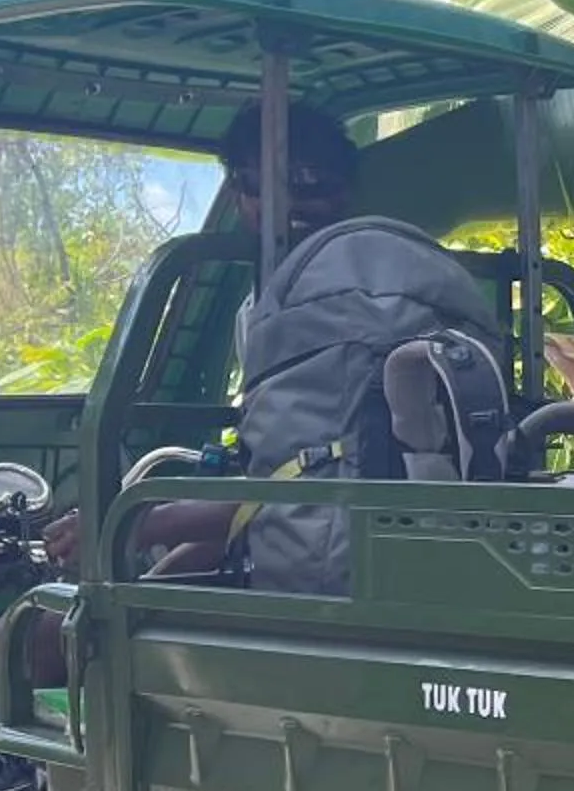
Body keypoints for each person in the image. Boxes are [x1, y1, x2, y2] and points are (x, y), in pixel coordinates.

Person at [40, 102, 360, 584]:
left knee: (32, 633)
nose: (302, 200)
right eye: (284, 181)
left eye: (314, 179)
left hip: (325, 560)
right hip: (317, 537)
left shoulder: (338, 306)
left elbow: (310, 484)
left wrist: (131, 523)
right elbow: (283, 481)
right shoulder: (264, 307)